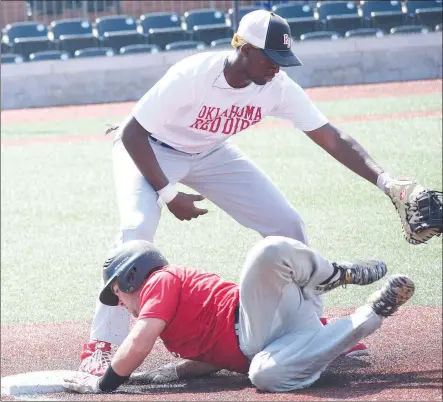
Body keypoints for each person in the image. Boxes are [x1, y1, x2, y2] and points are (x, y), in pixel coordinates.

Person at [79, 9, 437, 375]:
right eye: (271, 57)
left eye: (284, 59)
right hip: (150, 149)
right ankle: (102, 345)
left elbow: (331, 136)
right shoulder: (193, 74)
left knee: (287, 224)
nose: (278, 67)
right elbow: (133, 133)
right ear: (244, 49)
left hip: (210, 152)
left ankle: (310, 328)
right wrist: (169, 194)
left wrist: (385, 181)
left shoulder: (275, 87)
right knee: (135, 231)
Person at [63, 238, 415, 394]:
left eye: (117, 293)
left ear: (131, 276)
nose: (119, 302)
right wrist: (148, 378)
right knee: (264, 375)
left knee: (267, 251)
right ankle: (373, 312)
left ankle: (333, 273)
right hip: (272, 344)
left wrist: (104, 384)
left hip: (263, 315)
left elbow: (139, 341)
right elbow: (210, 358)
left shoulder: (160, 282)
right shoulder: (169, 320)